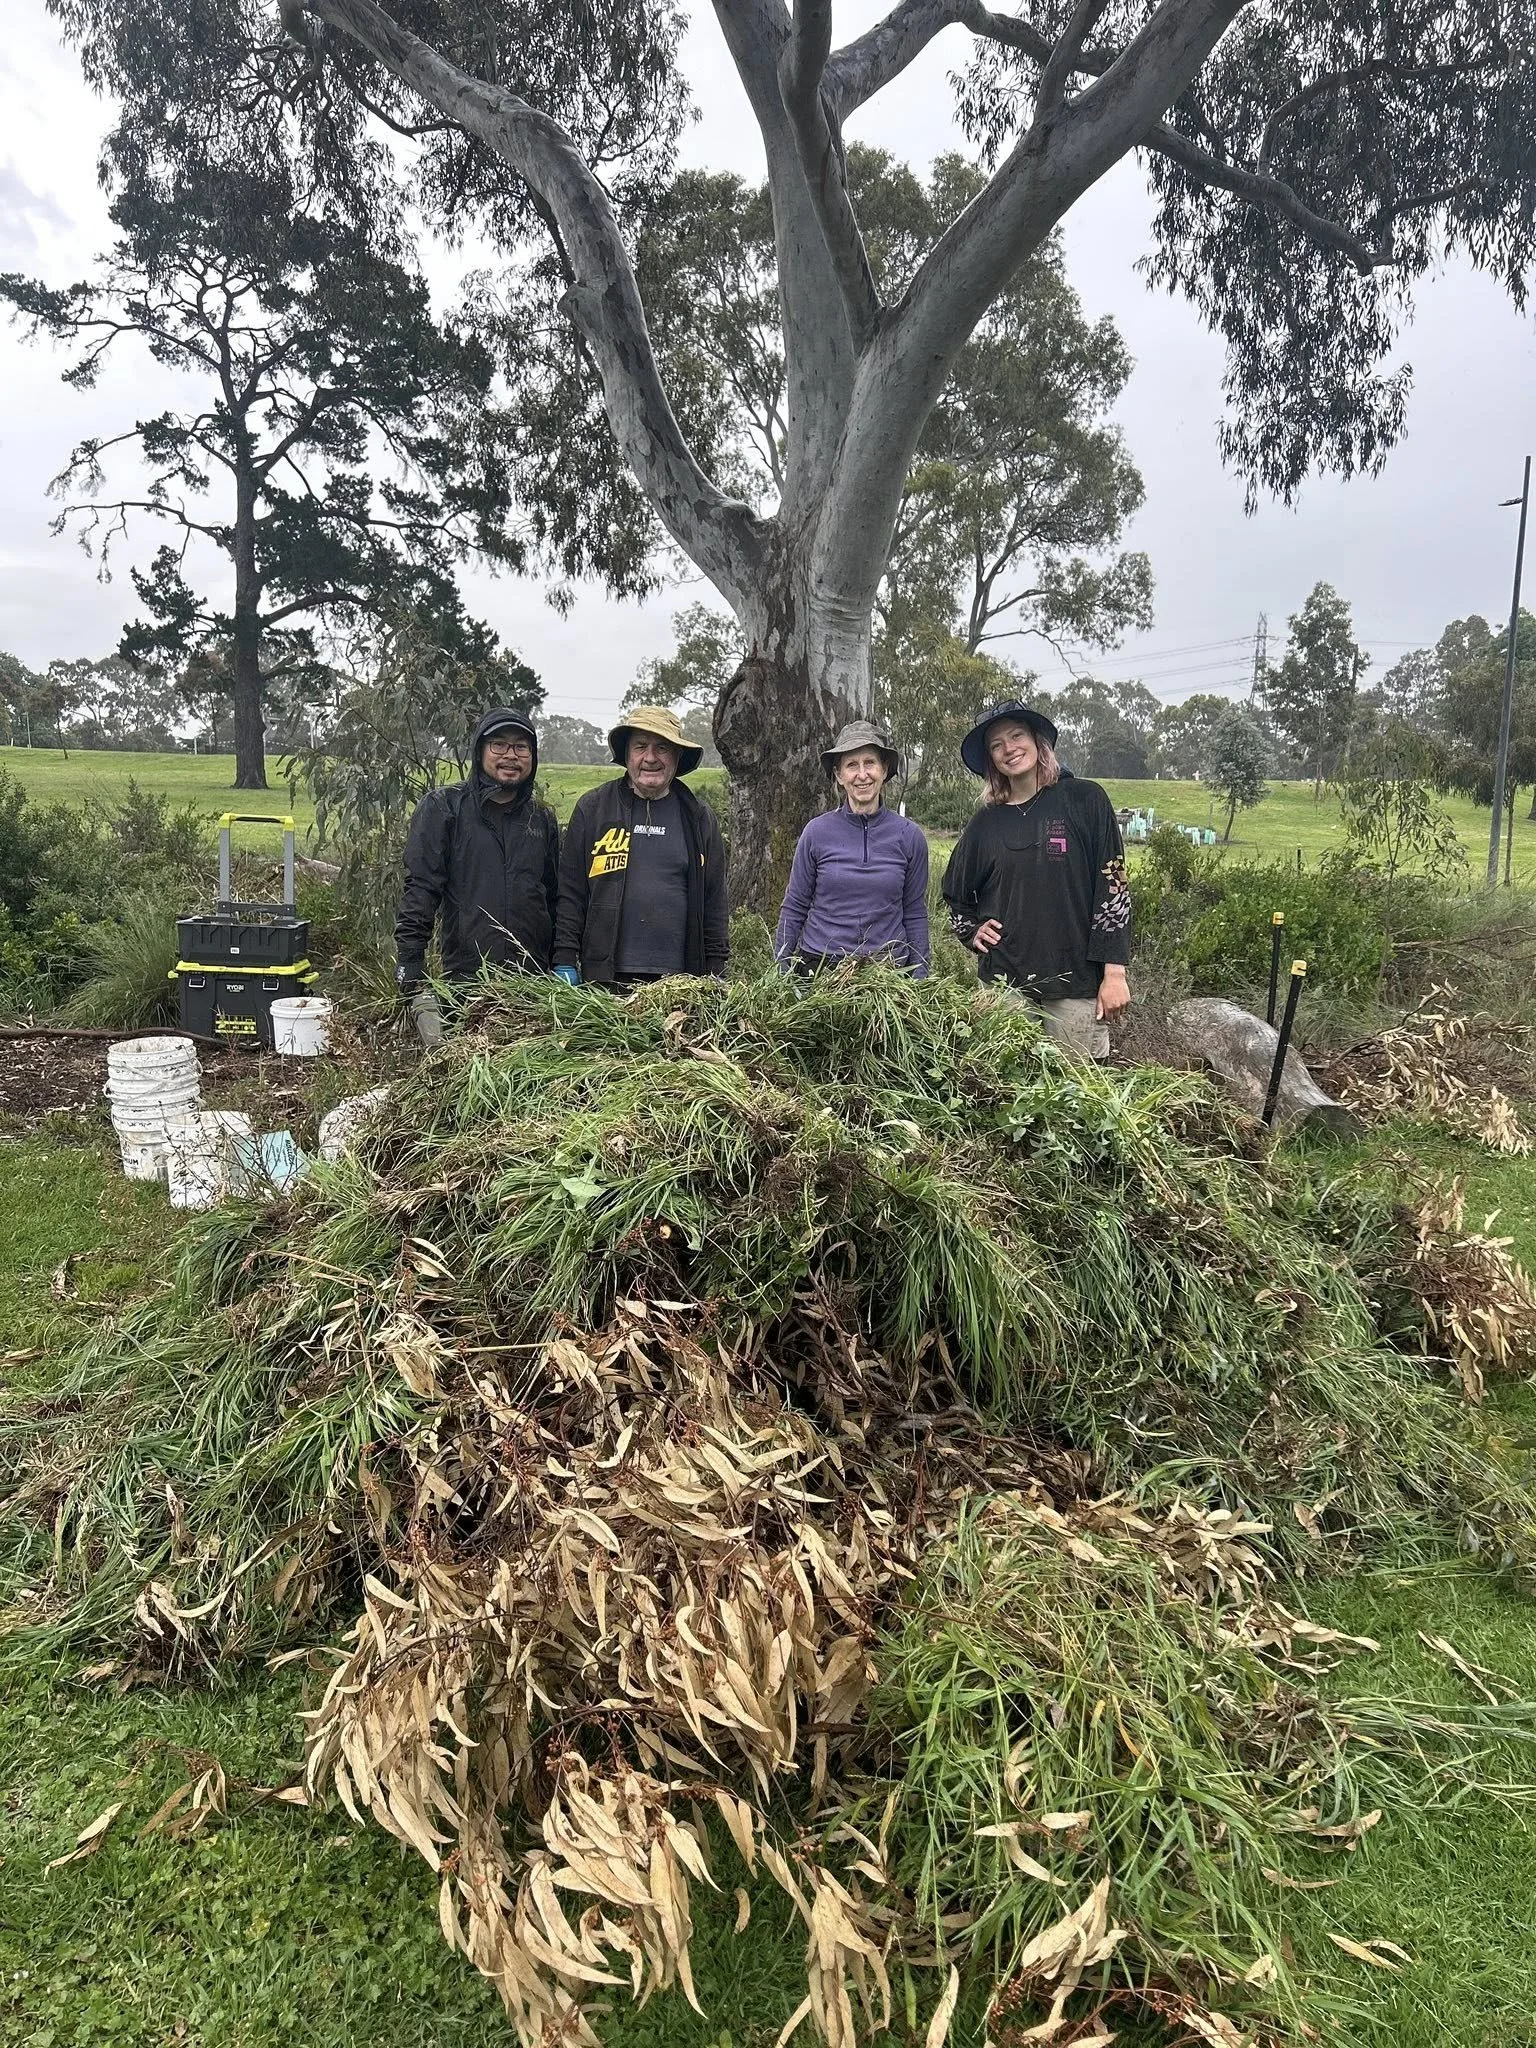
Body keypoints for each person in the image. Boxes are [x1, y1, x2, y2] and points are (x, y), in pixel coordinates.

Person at [942, 698, 1130, 1058]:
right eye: (996, 745)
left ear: (1038, 741)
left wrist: (1115, 973)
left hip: (1075, 984)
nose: (1009, 749)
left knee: (1078, 1096)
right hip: (1004, 985)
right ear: (990, 761)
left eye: (1016, 736)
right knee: (1005, 1091)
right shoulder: (987, 822)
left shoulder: (1084, 799)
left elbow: (1114, 888)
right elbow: (955, 891)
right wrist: (970, 930)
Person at [394, 706, 561, 1044]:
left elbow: (556, 898)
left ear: (532, 756)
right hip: (466, 980)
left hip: (532, 982)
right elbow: (421, 890)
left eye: (521, 747)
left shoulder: (541, 819)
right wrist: (410, 960)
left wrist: (565, 961)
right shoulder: (444, 808)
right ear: (480, 751)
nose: (510, 756)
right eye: (498, 745)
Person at [554, 704, 729, 988]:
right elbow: (571, 892)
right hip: (604, 979)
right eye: (640, 746)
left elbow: (714, 900)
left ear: (677, 756)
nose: (650, 758)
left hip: (680, 982)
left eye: (662, 747)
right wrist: (564, 957)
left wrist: (716, 968)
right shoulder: (594, 809)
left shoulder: (698, 817)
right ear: (627, 754)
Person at [773, 720, 929, 977]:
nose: (862, 774)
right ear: (839, 775)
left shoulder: (909, 836)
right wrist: (781, 969)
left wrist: (921, 973)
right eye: (851, 765)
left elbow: (914, 910)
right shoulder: (816, 832)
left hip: (887, 971)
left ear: (884, 769)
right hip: (821, 968)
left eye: (870, 763)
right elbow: (795, 905)